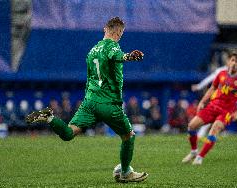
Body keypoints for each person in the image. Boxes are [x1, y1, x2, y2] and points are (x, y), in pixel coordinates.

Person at [26, 17, 148, 182]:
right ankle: (126, 172)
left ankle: (50, 118)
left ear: (105, 28)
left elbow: (92, 76)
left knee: (69, 133)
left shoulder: (92, 50)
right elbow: (116, 55)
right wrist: (128, 57)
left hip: (90, 102)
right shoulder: (112, 46)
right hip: (108, 103)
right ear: (119, 32)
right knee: (129, 136)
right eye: (121, 33)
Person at [182, 49, 237, 165]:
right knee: (191, 126)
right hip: (213, 106)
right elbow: (212, 89)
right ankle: (193, 151)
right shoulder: (221, 74)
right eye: (233, 60)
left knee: (214, 130)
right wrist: (202, 102)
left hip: (227, 111)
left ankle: (200, 157)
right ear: (228, 61)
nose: (234, 63)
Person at [191, 64, 228, 140]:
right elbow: (210, 79)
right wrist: (199, 86)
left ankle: (210, 133)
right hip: (218, 96)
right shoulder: (221, 71)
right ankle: (202, 133)